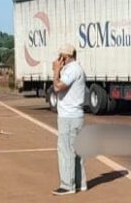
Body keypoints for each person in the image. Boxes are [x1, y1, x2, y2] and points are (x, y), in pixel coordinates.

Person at [51, 44, 87, 196]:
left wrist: (56, 71)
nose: (59, 60)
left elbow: (58, 87)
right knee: (76, 151)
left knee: (66, 151)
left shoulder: (72, 69)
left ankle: (67, 185)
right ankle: (80, 183)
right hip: (76, 116)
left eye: (60, 57)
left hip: (69, 117)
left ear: (65, 57)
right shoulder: (76, 68)